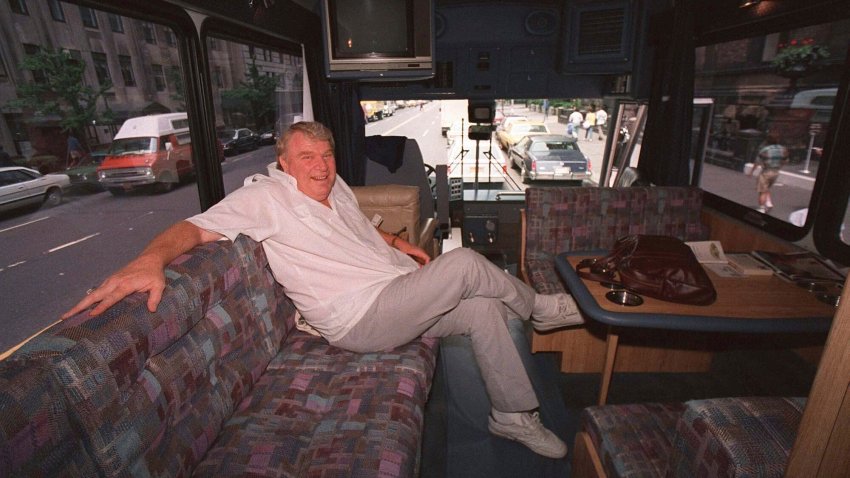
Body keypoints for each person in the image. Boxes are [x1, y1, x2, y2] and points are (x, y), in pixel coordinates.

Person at [63, 121, 582, 459]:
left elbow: (355, 227)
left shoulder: (334, 187)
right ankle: (539, 309)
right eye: (307, 156)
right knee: (466, 262)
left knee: (482, 310)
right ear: (284, 163)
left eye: (327, 153)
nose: (321, 164)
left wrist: (395, 241)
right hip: (359, 319)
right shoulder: (266, 199)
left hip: (393, 292)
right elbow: (195, 229)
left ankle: (514, 415)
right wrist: (150, 258)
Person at [749, 134, 788, 213]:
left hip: (766, 171)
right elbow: (785, 161)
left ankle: (761, 208)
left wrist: (751, 172)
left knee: (762, 191)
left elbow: (757, 162)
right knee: (766, 187)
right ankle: (769, 203)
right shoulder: (783, 149)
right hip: (776, 172)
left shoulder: (765, 150)